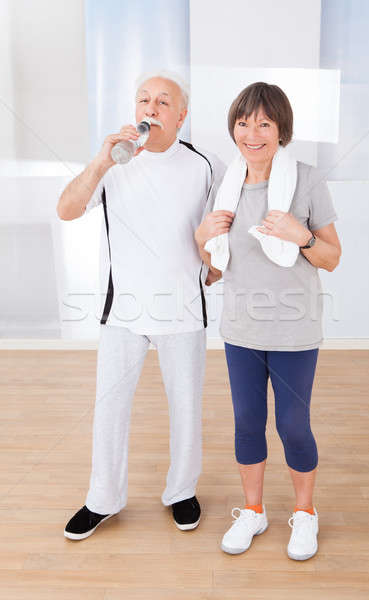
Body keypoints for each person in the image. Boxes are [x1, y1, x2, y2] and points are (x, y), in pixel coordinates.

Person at [58, 70, 225, 540]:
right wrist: (99, 162)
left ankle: (181, 491)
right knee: (109, 408)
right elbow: (66, 209)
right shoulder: (113, 163)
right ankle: (102, 499)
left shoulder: (206, 165)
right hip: (124, 314)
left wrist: (213, 271)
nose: (151, 108)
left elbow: (220, 239)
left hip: (184, 311)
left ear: (182, 115)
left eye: (163, 101)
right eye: (143, 99)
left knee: (186, 407)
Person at [195, 81, 341, 559]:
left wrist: (301, 237)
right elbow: (216, 270)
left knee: (294, 426)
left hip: (294, 329)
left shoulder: (307, 179)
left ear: (281, 130)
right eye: (243, 122)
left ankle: (304, 514)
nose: (251, 133)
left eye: (263, 123)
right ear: (233, 128)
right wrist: (202, 241)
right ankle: (254, 511)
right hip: (241, 330)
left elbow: (332, 258)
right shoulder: (226, 184)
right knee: (247, 423)